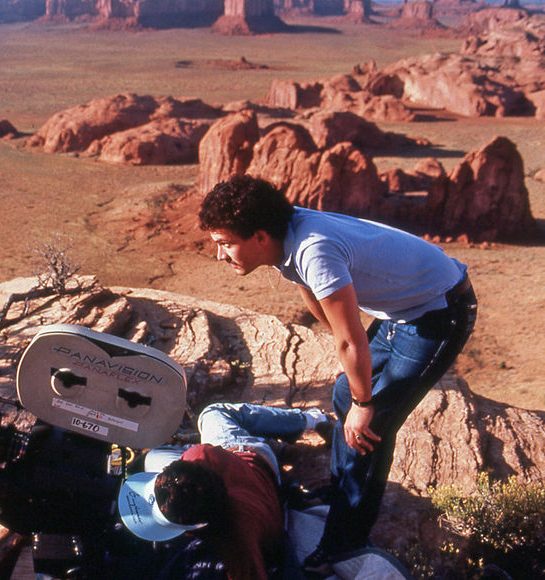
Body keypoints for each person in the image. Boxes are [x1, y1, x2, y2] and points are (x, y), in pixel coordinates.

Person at [197, 175, 477, 574]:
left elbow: (351, 340)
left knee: (371, 422)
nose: (221, 255)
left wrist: (366, 403)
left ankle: (344, 542)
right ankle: (342, 490)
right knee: (347, 391)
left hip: (438, 314)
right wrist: (357, 392)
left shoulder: (314, 250)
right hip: (403, 313)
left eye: (226, 243)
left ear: (259, 236)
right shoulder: (284, 233)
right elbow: (315, 297)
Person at [119, 402, 333, 580]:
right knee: (212, 414)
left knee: (211, 415)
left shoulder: (238, 542)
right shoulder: (198, 454)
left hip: (255, 458)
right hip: (240, 460)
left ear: (197, 526)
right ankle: (308, 422)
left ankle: (305, 422)